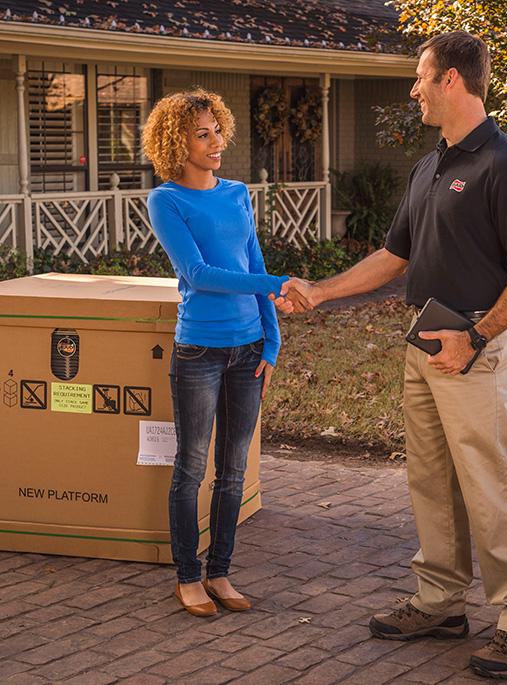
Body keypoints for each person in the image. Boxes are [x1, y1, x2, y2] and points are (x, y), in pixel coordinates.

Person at [274, 31, 507, 679]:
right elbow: (393, 256)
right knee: (431, 480)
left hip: (474, 348)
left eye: (421, 76)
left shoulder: (505, 167)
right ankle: (441, 601)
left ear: (452, 79)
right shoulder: (430, 166)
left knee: (492, 488)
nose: (414, 89)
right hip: (424, 343)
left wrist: (474, 337)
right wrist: (321, 291)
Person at [143, 89, 288, 617]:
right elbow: (199, 274)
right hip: (199, 352)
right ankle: (188, 577)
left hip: (248, 351)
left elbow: (254, 263)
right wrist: (276, 283)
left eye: (217, 130)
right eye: (202, 134)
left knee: (233, 470)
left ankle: (220, 572)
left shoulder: (236, 193)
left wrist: (271, 340)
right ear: (175, 144)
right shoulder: (166, 201)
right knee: (191, 467)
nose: (215, 142)